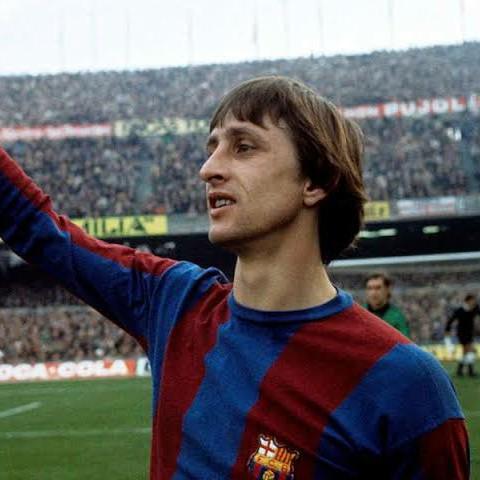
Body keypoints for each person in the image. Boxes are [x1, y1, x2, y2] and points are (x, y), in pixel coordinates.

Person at [0, 76, 469, 479]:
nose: (208, 169)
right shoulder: (174, 302)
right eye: (212, 149)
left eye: (243, 147)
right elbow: (38, 229)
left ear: (316, 181)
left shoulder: (407, 385)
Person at [364, 272, 410, 337]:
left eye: (378, 288)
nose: (373, 292)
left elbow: (405, 340)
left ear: (387, 289)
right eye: (370, 288)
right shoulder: (360, 313)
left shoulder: (397, 317)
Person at [446, 293, 479, 377]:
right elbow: (451, 319)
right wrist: (447, 329)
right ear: (468, 300)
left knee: (466, 352)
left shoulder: (474, 309)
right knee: (469, 350)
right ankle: (470, 371)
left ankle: (460, 370)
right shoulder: (460, 310)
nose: (474, 302)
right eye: (473, 300)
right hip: (462, 334)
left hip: (470, 333)